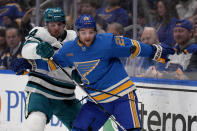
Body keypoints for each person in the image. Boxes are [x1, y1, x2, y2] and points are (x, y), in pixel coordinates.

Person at [32, 14, 175, 131]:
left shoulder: (107, 42)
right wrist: (32, 62)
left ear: (95, 31)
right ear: (77, 33)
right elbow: (52, 64)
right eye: (83, 32)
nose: (87, 36)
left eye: (91, 32)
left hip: (122, 96)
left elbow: (132, 47)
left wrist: (155, 51)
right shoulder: (69, 49)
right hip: (96, 101)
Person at [11, 7, 82, 131]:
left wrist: (81, 74)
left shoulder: (73, 38)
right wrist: (38, 51)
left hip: (67, 97)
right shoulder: (39, 33)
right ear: (46, 24)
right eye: (52, 24)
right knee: (35, 122)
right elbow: (26, 50)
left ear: (64, 24)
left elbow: (82, 62)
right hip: (40, 92)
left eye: (59, 24)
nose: (56, 28)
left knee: (86, 126)